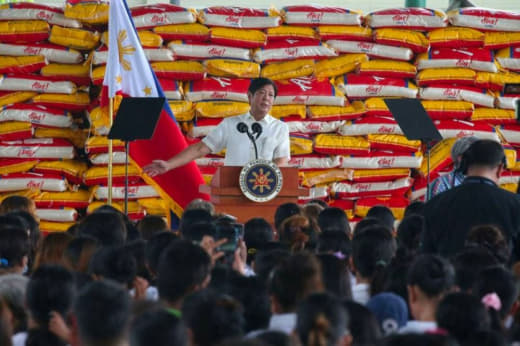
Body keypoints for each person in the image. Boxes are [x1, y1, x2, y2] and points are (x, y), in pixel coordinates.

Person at [143, 78, 290, 176]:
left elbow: (281, 162)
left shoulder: (280, 128)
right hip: (232, 189)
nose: (266, 98)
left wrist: (263, 182)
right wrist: (169, 165)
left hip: (265, 190)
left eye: (271, 95)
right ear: (249, 96)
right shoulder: (231, 124)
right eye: (261, 93)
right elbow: (201, 149)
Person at [422, 139, 520, 259]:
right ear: (500, 168)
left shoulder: (435, 204)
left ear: (464, 165)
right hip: (500, 276)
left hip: (452, 276)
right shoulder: (515, 204)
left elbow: (425, 257)